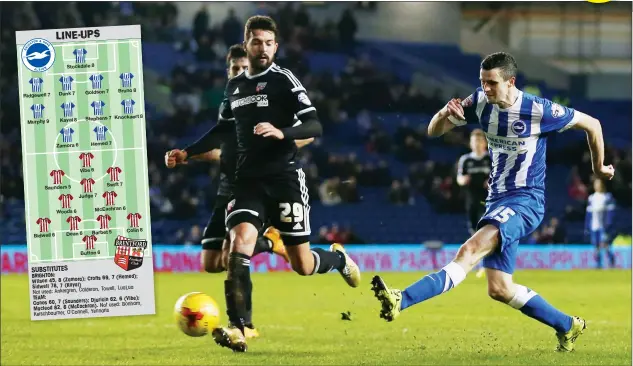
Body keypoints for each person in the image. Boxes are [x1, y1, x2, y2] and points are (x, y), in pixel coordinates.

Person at [371, 51, 614, 352]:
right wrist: (444, 114)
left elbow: (593, 124)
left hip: (527, 201)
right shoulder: (481, 102)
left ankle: (401, 299)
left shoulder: (538, 109)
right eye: (482, 82)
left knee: (469, 249)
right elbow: (433, 132)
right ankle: (568, 325)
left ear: (510, 81)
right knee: (499, 289)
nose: (485, 89)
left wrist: (599, 167)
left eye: (492, 83)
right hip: (496, 202)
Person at [170, 16, 361, 352]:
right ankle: (239, 326)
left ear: (276, 46)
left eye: (269, 43)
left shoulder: (283, 80)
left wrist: (281, 132)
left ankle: (339, 260)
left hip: (284, 179)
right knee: (238, 247)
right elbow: (222, 130)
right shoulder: (235, 87)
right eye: (256, 42)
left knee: (303, 265)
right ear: (247, 43)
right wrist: (187, 152)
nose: (263, 48)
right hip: (247, 181)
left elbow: (314, 125)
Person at [165, 44, 314, 339]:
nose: (238, 72)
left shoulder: (269, 97)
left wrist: (277, 145)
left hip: (253, 185)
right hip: (227, 187)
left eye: (242, 67)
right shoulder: (231, 100)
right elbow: (222, 144)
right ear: (228, 70)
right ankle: (271, 245)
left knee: (236, 250)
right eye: (233, 68)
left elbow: (307, 131)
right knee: (211, 263)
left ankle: (243, 325)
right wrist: (188, 154)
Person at [456, 128, 491, 278]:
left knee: (483, 231)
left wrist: (491, 181)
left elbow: (498, 177)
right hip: (471, 200)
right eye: (474, 141)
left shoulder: (490, 159)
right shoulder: (466, 160)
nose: (476, 144)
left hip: (487, 200)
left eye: (479, 140)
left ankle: (486, 264)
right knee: (473, 233)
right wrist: (462, 180)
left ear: (484, 143)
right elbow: (459, 177)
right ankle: (480, 264)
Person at [585, 178, 616, 269]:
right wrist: (587, 226)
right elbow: (588, 214)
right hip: (594, 226)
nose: (597, 186)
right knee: (596, 246)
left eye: (599, 184)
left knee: (605, 244)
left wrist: (608, 224)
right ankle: (598, 264)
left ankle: (611, 261)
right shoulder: (592, 198)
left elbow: (611, 213)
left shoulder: (607, 197)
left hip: (603, 226)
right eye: (596, 184)